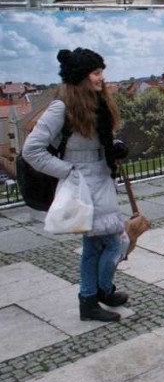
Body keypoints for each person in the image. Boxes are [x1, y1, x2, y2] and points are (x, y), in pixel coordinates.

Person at [23, 48, 127, 323]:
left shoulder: (97, 103)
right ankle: (98, 292)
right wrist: (68, 172)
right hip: (83, 185)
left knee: (94, 247)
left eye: (101, 71)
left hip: (100, 178)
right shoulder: (62, 108)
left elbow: (97, 142)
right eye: (96, 72)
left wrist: (114, 148)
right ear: (81, 77)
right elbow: (31, 150)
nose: (101, 78)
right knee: (115, 244)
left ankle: (92, 299)